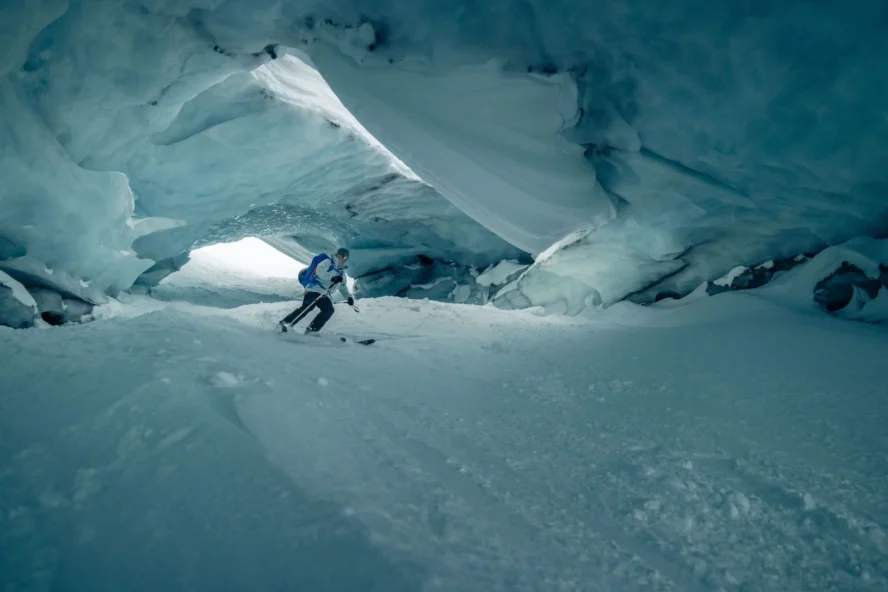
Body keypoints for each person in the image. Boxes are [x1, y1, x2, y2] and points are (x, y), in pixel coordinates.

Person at [279, 247, 354, 334]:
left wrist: (349, 297)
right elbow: (319, 271)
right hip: (314, 289)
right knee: (307, 307)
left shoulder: (341, 273)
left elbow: (343, 287)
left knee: (329, 310)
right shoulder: (328, 262)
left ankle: (311, 330)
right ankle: (284, 324)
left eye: (347, 258)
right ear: (339, 255)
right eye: (345, 257)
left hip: (325, 294)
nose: (346, 260)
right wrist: (332, 278)